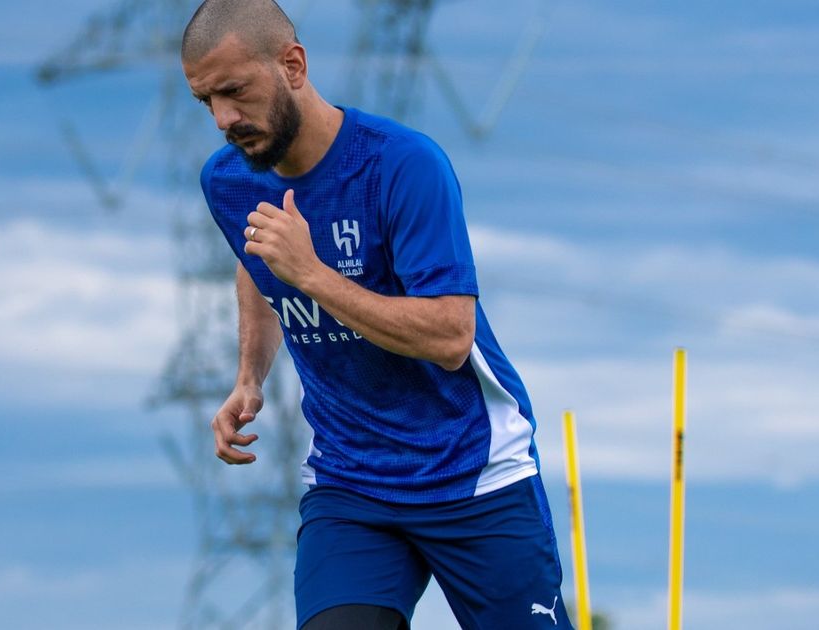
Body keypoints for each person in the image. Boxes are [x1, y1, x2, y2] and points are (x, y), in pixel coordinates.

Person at [181, 2, 574, 628]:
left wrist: (311, 273)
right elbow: (258, 259)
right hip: (351, 485)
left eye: (235, 91)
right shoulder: (227, 181)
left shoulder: (403, 165)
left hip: (472, 474)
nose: (224, 118)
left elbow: (450, 335)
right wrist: (249, 375)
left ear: (293, 65)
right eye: (205, 101)